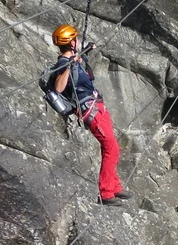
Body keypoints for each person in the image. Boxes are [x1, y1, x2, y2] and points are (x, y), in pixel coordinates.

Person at [50, 24, 132, 206]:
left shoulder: (74, 58)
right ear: (71, 42)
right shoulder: (63, 64)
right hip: (90, 111)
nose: (77, 41)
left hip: (98, 107)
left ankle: (115, 187)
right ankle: (106, 193)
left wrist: (82, 55)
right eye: (75, 39)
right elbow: (59, 87)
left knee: (111, 147)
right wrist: (68, 66)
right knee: (112, 148)